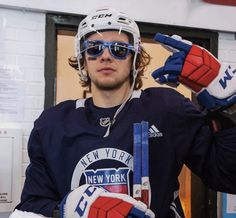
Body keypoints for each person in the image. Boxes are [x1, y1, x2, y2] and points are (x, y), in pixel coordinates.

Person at [11, 6, 236, 218]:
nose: (105, 56)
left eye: (119, 49)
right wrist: (65, 210)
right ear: (82, 59)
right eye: (94, 49)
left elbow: (229, 177)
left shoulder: (166, 109)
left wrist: (229, 107)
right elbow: (31, 204)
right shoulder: (53, 123)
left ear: (135, 59)